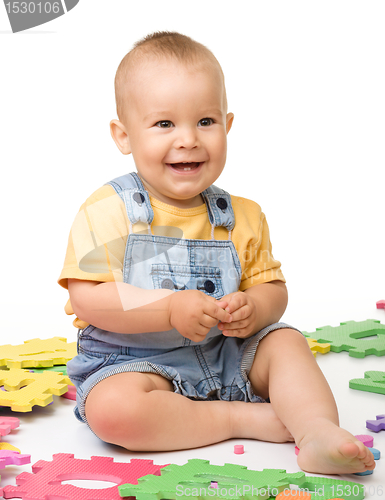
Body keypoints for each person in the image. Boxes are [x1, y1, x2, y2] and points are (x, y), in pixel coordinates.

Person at [59, 31, 375, 475]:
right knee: (113, 412)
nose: (188, 139)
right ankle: (241, 418)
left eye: (205, 121)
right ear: (123, 135)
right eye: (164, 124)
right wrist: (169, 308)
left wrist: (255, 306)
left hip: (228, 353)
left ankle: (315, 429)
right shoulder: (107, 210)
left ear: (227, 125)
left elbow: (273, 289)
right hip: (133, 363)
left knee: (286, 343)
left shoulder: (241, 215)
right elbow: (90, 297)